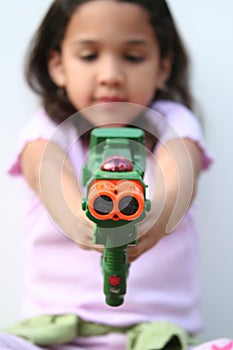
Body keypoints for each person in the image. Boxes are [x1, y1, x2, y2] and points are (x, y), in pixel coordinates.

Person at [2, 0, 232, 349]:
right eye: (89, 55)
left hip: (157, 336)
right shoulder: (47, 130)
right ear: (57, 65)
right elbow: (48, 174)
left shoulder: (175, 124)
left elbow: (179, 175)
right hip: (53, 333)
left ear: (163, 67)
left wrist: (152, 218)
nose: (110, 74)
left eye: (133, 57)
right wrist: (80, 218)